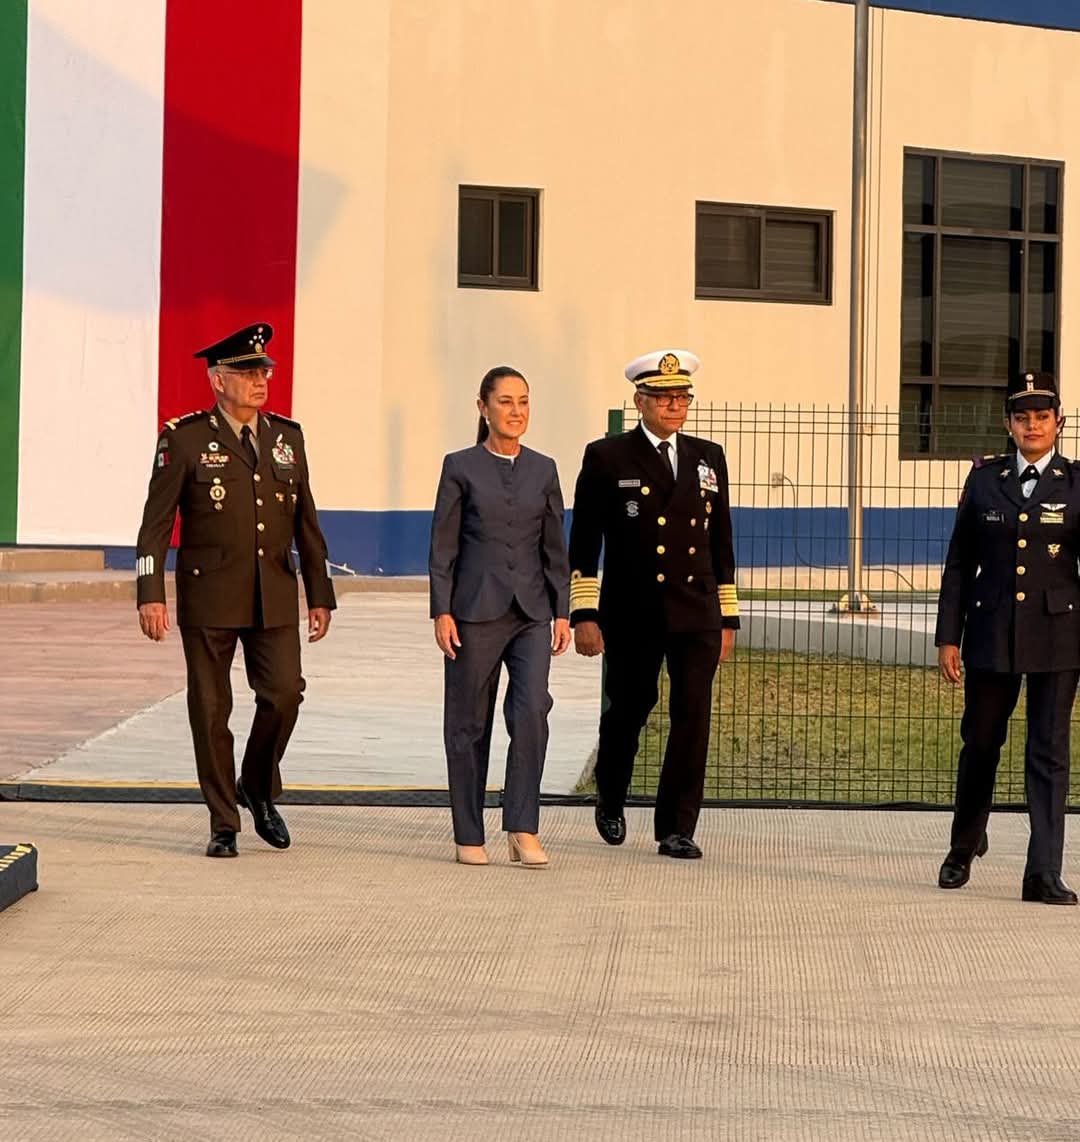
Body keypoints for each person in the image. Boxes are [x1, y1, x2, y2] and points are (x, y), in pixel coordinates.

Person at [135, 322, 336, 858]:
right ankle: (224, 821)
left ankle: (256, 783)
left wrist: (320, 593)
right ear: (218, 380)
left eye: (263, 370)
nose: (260, 380)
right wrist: (149, 591)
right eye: (247, 372)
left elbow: (306, 522)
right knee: (210, 708)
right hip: (210, 595)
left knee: (284, 694)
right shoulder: (184, 439)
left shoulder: (287, 438)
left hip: (273, 591)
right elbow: (155, 524)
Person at [569, 349, 738, 859]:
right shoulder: (608, 457)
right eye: (664, 398)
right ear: (639, 401)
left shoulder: (708, 456)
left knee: (693, 716)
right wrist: (584, 614)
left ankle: (677, 827)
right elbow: (584, 542)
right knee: (629, 708)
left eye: (683, 397)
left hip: (697, 609)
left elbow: (721, 540)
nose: (675, 406)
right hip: (634, 610)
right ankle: (611, 795)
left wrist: (727, 615)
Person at [936, 370, 1080, 905]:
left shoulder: (1076, 483)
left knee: (1049, 752)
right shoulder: (984, 480)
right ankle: (963, 846)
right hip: (992, 631)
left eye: (1042, 416)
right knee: (980, 743)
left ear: (1059, 423)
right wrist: (948, 637)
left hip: (1058, 636)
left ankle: (1043, 870)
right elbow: (959, 564)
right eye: (1023, 418)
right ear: (1008, 424)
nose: (1032, 426)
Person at [429, 366, 571, 867]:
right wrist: (442, 610)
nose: (516, 411)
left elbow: (555, 548)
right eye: (506, 401)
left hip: (532, 612)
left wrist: (561, 611)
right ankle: (468, 832)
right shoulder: (460, 466)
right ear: (483, 407)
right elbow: (443, 547)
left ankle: (522, 826)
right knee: (468, 722)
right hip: (474, 611)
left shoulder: (544, 469)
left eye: (523, 401)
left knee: (531, 712)